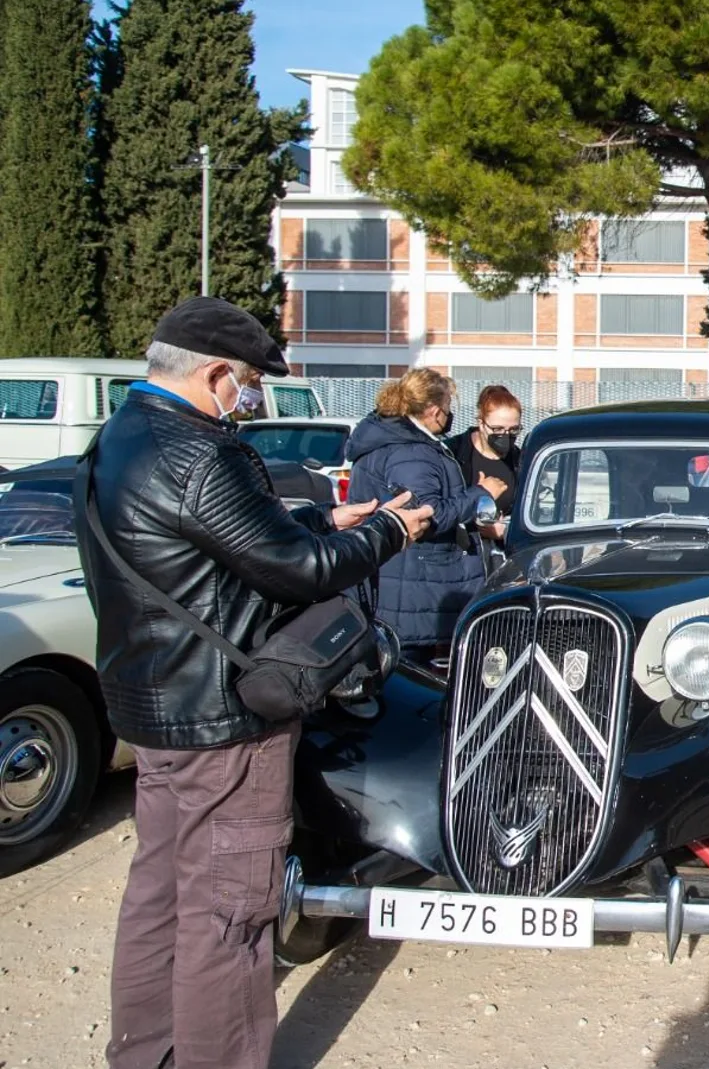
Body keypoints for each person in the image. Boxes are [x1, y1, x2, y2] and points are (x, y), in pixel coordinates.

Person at [76, 297, 432, 1069]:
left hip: (152, 706)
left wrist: (322, 521)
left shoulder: (119, 438)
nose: (251, 399)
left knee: (159, 894)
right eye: (246, 384)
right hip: (226, 718)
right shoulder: (202, 452)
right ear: (213, 375)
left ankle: (144, 1054)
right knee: (230, 910)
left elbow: (207, 548)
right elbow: (298, 573)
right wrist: (387, 532)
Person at [345, 368, 507, 656]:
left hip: (405, 587)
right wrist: (481, 494)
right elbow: (426, 516)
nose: (449, 415)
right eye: (447, 408)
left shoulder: (396, 441)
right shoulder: (411, 452)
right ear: (433, 411)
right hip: (415, 595)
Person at [450, 384, 523, 518]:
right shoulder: (453, 453)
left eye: (513, 430)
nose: (505, 435)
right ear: (481, 423)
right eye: (497, 429)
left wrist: (505, 530)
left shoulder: (520, 460)